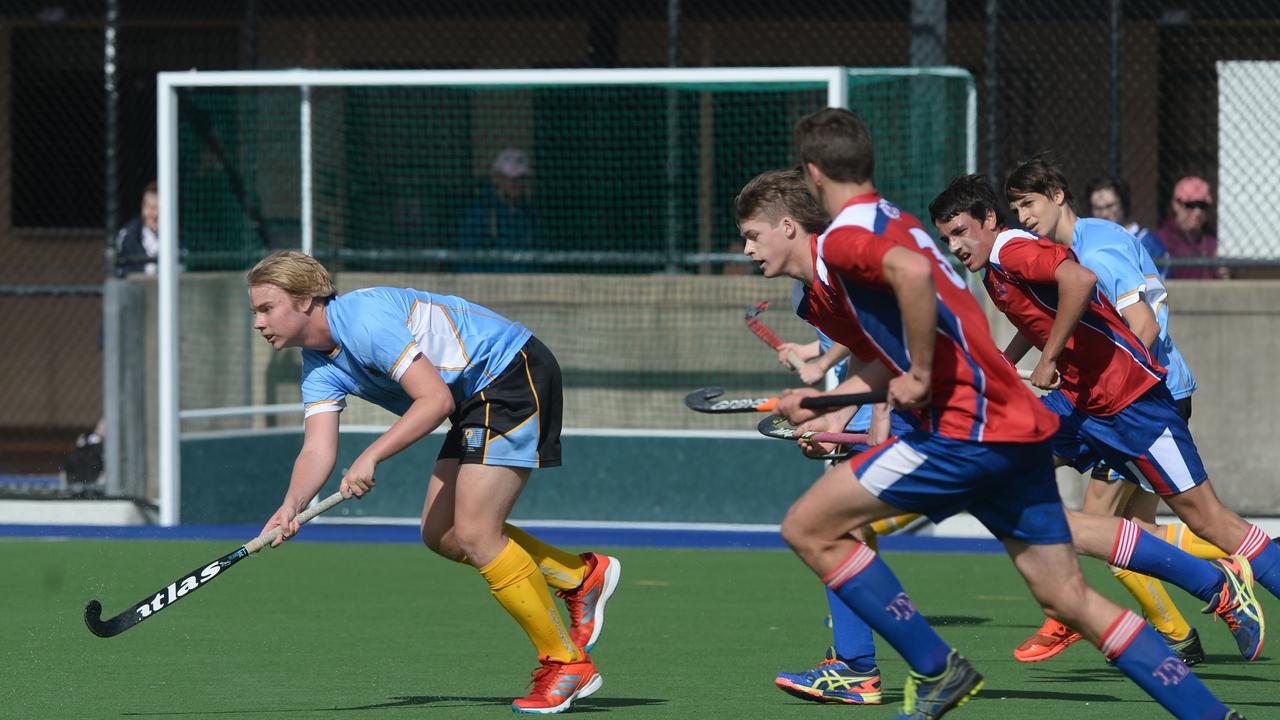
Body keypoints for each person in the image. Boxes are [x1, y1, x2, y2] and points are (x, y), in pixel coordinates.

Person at [739, 108, 1241, 719]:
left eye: (750, 236)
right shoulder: (888, 222)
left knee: (811, 527)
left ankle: (927, 669)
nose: (746, 248)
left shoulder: (847, 240)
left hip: (964, 431)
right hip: (1013, 426)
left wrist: (916, 377)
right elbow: (893, 342)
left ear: (813, 177)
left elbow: (914, 280)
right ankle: (1211, 709)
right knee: (1070, 596)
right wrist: (826, 397)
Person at [247, 251, 620, 715]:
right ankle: (579, 577)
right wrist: (291, 505)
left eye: (267, 308)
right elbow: (318, 448)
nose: (259, 322)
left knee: (477, 533)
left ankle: (566, 663)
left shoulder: (362, 320)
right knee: (442, 535)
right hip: (473, 400)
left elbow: (435, 400)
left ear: (305, 301)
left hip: (510, 374)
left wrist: (372, 455)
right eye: (255, 312)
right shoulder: (317, 365)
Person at [932, 174, 1277, 669]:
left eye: (961, 232)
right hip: (1083, 404)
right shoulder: (994, 268)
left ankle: (1218, 585)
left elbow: (1079, 281)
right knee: (1007, 471)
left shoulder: (1011, 249)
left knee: (1210, 520)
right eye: (946, 239)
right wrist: (1009, 361)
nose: (955, 246)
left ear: (989, 220)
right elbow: (1042, 317)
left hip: (1130, 403)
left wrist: (1050, 358)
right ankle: (1084, 607)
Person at [1006, 158, 1204, 664]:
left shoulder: (1097, 249)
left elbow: (1144, 328)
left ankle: (1064, 618)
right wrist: (1005, 362)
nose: (1022, 216)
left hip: (1139, 401)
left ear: (1056, 195)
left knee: (1103, 527)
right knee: (1129, 537)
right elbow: (1057, 321)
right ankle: (1183, 635)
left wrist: (1102, 391)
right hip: (1124, 400)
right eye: (1014, 208)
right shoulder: (1070, 247)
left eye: (1028, 203)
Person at [458, 148, 539, 273]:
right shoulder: (481, 216)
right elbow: (468, 262)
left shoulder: (529, 214)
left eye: (522, 179)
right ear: (497, 178)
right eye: (513, 180)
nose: (518, 185)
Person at [1085, 175, 1167, 277]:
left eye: (1109, 206)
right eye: (1097, 208)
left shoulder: (1146, 242)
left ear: (1123, 203)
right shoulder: (1088, 242)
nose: (1104, 214)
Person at [1155, 175, 1228, 280]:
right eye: (1190, 205)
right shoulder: (1162, 240)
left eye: (1202, 206)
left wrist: (1223, 273)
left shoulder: (1212, 240)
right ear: (1175, 205)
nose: (1197, 212)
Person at [115, 181, 159, 277]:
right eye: (151, 208)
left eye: (159, 208)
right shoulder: (128, 236)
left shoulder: (179, 236)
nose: (155, 215)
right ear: (143, 208)